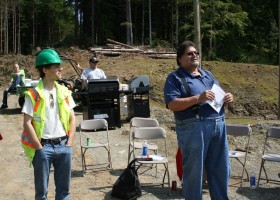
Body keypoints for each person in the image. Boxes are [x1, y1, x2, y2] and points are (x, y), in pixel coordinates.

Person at [164, 41, 234, 200]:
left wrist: (227, 98)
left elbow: (219, 96)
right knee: (194, 173)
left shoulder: (208, 74)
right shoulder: (175, 78)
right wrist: (198, 98)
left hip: (218, 124)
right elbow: (172, 104)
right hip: (194, 127)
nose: (194, 55)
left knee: (221, 169)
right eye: (189, 53)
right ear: (180, 59)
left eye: (196, 52)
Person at [21, 49, 76, 200]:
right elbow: (27, 123)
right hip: (43, 148)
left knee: (64, 193)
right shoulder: (33, 94)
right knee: (41, 194)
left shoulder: (64, 91)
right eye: (56, 66)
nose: (61, 69)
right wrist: (38, 147)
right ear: (45, 69)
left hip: (64, 145)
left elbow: (73, 119)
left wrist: (69, 144)